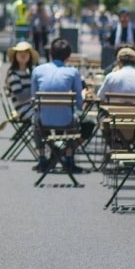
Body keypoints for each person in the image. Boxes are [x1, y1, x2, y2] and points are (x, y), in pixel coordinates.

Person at [30, 38, 94, 173]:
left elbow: (34, 98)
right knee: (81, 121)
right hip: (66, 120)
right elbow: (78, 101)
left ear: (51, 53)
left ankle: (43, 157)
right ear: (68, 56)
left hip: (43, 120)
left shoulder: (37, 70)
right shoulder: (73, 72)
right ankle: (67, 155)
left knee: (36, 119)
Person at [5, 41, 39, 121]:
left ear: (30, 56)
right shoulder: (13, 74)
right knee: (45, 117)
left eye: (26, 52)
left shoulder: (31, 72)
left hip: (33, 107)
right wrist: (36, 89)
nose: (23, 54)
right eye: (20, 52)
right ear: (15, 55)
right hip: (23, 110)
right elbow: (21, 97)